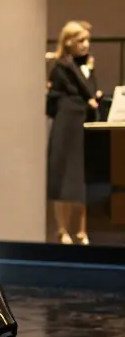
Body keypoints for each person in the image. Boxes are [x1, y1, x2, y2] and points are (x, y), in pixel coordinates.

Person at [46, 20, 105, 245]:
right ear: (69, 42)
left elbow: (89, 94)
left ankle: (81, 230)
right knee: (63, 177)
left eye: (87, 40)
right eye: (80, 40)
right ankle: (62, 230)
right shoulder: (62, 66)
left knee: (82, 177)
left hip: (83, 124)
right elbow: (68, 96)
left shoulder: (86, 66)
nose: (85, 44)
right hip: (66, 124)